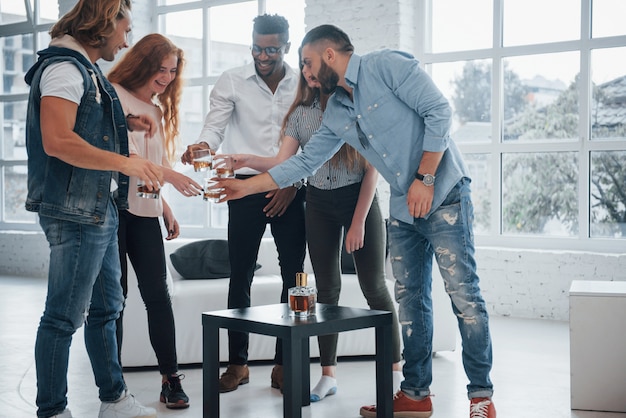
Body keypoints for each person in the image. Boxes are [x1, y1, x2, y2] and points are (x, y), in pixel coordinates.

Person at [210, 24, 496, 418]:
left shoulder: (386, 66)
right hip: (402, 206)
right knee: (411, 301)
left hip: (444, 192)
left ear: (329, 55)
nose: (306, 74)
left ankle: (480, 397)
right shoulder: (339, 110)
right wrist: (246, 187)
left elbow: (439, 111)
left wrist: (424, 179)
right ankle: (415, 395)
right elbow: (305, 161)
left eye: (308, 64)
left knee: (463, 296)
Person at [222, 54, 404, 402]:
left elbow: (371, 170)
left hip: (358, 201)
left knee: (375, 289)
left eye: (313, 67)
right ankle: (327, 375)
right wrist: (245, 160)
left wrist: (358, 222)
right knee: (325, 292)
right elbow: (284, 161)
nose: (308, 73)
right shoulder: (300, 114)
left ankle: (396, 374)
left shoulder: (354, 109)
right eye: (304, 68)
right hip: (319, 203)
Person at [24, 1, 163, 417]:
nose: (127, 38)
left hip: (98, 208)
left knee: (107, 309)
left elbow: (85, 119)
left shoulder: (84, 70)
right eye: (125, 27)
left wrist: (127, 123)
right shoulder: (65, 67)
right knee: (63, 317)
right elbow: (58, 140)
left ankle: (115, 400)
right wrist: (128, 162)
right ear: (104, 23)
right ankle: (52, 409)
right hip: (76, 212)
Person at [180, 13, 306, 394]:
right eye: (256, 47)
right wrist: (201, 147)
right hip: (245, 188)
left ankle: (286, 363)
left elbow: (312, 140)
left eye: (271, 49)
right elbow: (214, 129)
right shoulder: (232, 80)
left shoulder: (304, 84)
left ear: (286, 45)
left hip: (291, 185)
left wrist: (291, 181)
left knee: (294, 278)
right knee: (240, 275)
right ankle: (238, 364)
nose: (262, 56)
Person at [108, 33, 202, 409]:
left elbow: (151, 165)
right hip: (114, 212)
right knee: (115, 300)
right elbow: (126, 155)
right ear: (142, 62)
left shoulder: (158, 111)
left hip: (145, 213)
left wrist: (165, 206)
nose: (165, 77)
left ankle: (170, 378)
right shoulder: (114, 94)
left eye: (172, 71)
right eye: (159, 68)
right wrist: (173, 177)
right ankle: (112, 387)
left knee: (157, 298)